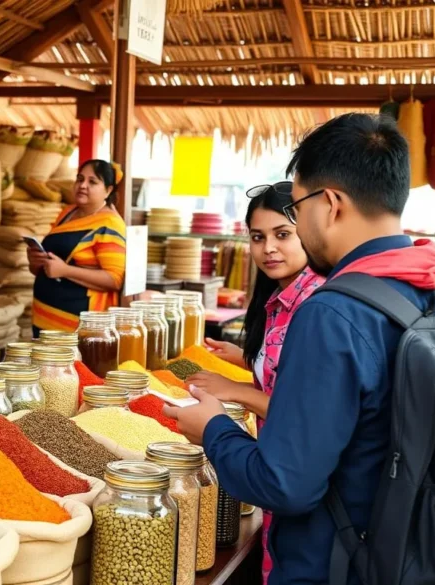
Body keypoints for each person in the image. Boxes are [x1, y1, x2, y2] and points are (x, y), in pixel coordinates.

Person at [164, 113, 435, 583]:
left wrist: (213, 428)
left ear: (329, 203)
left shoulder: (332, 313)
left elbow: (285, 485)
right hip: (418, 554)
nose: (292, 225)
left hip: (335, 562)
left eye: (297, 206)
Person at [188, 182, 325, 584]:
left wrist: (234, 392)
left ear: (308, 232)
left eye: (283, 234)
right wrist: (247, 363)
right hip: (274, 473)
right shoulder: (281, 299)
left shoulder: (316, 305)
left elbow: (306, 412)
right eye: (258, 237)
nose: (269, 248)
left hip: (298, 481)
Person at [29, 159, 127, 335]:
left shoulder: (110, 224)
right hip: (44, 317)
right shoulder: (68, 212)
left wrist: (66, 270)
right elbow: (53, 265)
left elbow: (114, 279)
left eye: (92, 182)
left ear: (108, 190)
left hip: (77, 326)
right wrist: (35, 261)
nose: (83, 185)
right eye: (80, 179)